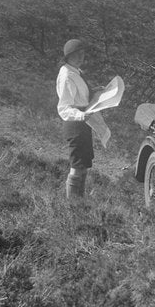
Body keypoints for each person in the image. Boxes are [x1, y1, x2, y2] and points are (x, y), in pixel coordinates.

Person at [56, 38, 98, 199]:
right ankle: (73, 207)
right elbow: (64, 107)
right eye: (76, 55)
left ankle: (79, 203)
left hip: (82, 122)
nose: (81, 58)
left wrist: (94, 91)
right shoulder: (67, 75)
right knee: (77, 166)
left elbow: (79, 96)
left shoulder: (75, 71)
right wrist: (81, 115)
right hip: (75, 124)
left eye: (82, 54)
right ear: (68, 57)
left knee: (84, 165)